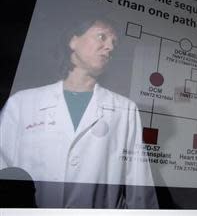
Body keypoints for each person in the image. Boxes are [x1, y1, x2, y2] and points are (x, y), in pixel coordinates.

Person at [0, 18, 158, 208]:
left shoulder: (125, 109)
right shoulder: (22, 103)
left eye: (114, 43)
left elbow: (138, 184)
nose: (110, 47)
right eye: (102, 37)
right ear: (73, 41)